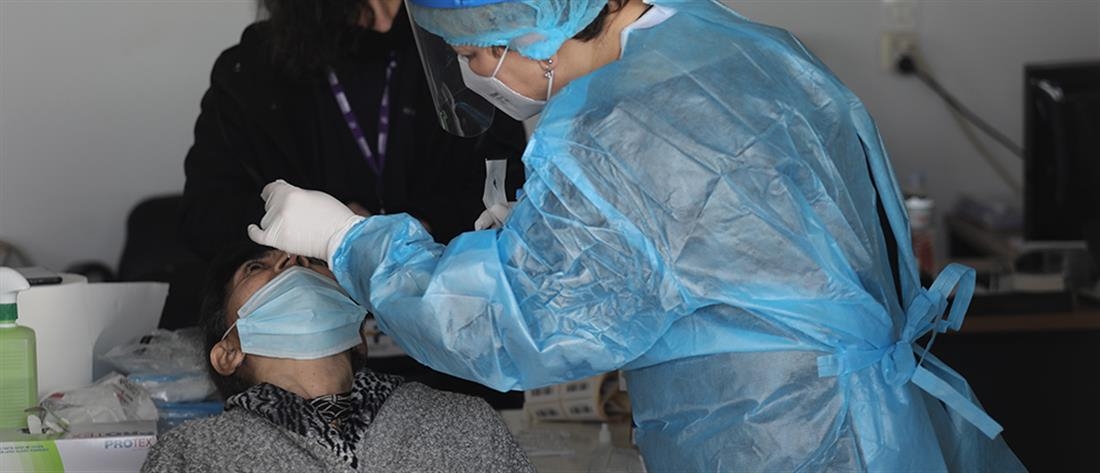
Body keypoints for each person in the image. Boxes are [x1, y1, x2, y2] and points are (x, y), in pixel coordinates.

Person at [247, 0, 1025, 471]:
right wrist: (551, 232)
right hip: (852, 418)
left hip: (779, 435)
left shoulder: (618, 123)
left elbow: (505, 327)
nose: (477, 74)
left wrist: (350, 239)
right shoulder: (730, 47)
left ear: (539, 24)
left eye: (478, 53)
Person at [166, 0, 527, 407]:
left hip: (458, 346)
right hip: (310, 364)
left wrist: (403, 233)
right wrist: (313, 237)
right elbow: (205, 215)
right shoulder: (255, 68)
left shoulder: (462, 45)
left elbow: (510, 192)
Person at [142, 243, 533, 473]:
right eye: (257, 267)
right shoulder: (192, 454)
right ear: (228, 353)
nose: (292, 263)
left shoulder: (465, 421)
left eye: (314, 261)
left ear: (359, 336)